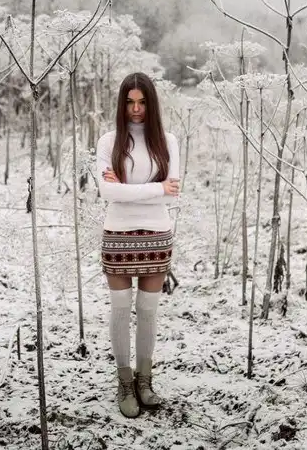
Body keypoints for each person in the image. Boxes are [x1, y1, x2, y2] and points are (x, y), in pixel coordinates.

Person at [95, 72, 181, 419]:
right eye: (130, 102)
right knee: (119, 310)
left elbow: (174, 193)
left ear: (151, 103)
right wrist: (157, 187)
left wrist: (128, 190)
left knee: (147, 311)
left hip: (157, 234)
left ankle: (145, 381)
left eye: (142, 102)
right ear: (122, 104)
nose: (135, 109)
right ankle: (125, 383)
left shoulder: (167, 141)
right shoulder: (109, 142)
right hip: (117, 234)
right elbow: (107, 192)